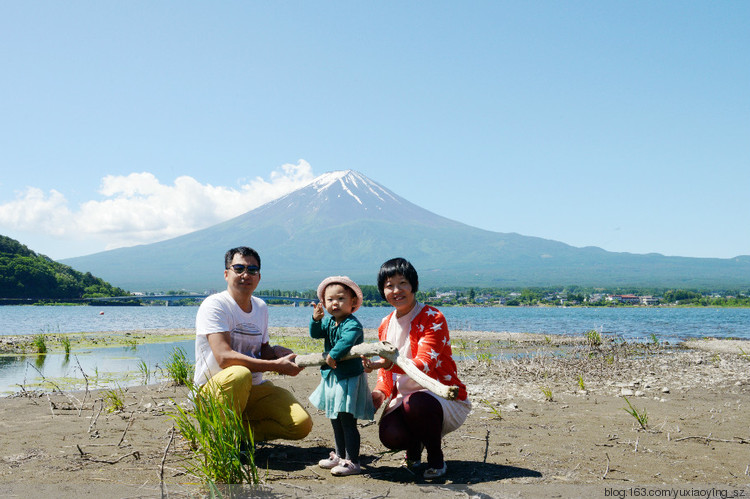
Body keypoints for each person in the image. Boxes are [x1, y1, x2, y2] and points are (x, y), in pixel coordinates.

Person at [362, 257, 471, 479]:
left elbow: (423, 365)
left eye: (402, 283)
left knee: (416, 403)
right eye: (389, 285)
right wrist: (379, 394)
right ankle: (414, 449)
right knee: (389, 436)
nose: (396, 290)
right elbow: (386, 374)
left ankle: (435, 457)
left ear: (413, 285)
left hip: (440, 396)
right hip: (405, 399)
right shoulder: (385, 323)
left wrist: (384, 362)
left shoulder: (433, 317)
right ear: (382, 290)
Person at [194, 246, 313, 444]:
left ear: (259, 277)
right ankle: (218, 437)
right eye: (238, 268)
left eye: (252, 270)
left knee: (300, 425)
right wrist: (276, 366)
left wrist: (276, 352)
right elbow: (224, 358)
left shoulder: (260, 307)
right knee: (240, 374)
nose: (245, 274)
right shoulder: (215, 305)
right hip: (215, 391)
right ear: (226, 274)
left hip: (253, 389)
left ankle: (238, 436)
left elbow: (262, 350)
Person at [308, 276, 375, 476]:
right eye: (330, 300)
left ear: (353, 302)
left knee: (347, 420)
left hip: (348, 378)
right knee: (335, 418)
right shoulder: (330, 322)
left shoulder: (352, 324)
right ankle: (339, 455)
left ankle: (353, 461)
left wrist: (333, 354)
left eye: (340, 298)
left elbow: (347, 341)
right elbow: (315, 334)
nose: (335, 303)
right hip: (334, 377)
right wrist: (316, 319)